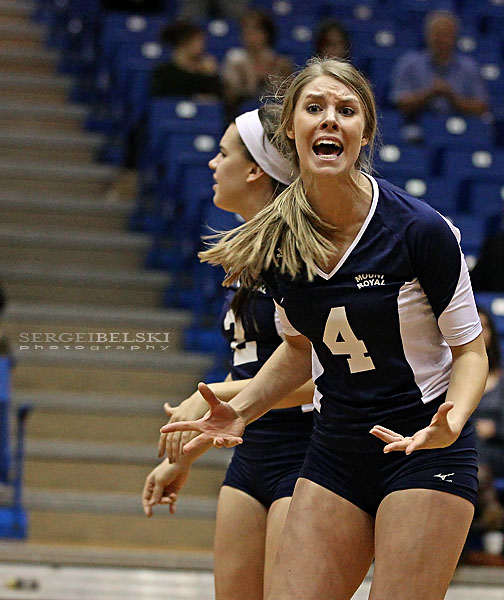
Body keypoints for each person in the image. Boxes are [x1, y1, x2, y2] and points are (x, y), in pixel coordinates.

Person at [161, 57, 488, 600]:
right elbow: (298, 350)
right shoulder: (278, 239)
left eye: (346, 110)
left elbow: (471, 351)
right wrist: (240, 409)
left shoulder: (419, 230)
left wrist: (451, 420)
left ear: (365, 133)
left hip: (423, 443)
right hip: (336, 447)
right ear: (291, 128)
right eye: (315, 108)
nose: (330, 120)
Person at [141, 106, 314, 600]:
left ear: (256, 168)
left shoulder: (301, 256)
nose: (213, 164)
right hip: (248, 453)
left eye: (222, 153)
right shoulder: (248, 251)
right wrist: (188, 450)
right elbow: (251, 366)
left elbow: (323, 373)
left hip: (306, 452)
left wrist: (214, 393)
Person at [468, 307, 504, 554]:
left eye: (485, 326)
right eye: (473, 324)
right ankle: (492, 525)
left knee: (472, 457)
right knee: (468, 442)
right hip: (460, 447)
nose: (479, 331)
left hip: (496, 452)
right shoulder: (448, 372)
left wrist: (493, 428)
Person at [390, 10, 489, 120]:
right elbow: (400, 104)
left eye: (447, 35)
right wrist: (430, 94)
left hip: (460, 124)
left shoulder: (469, 67)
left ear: (456, 37)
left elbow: (482, 108)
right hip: (416, 126)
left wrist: (452, 98)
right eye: (437, 34)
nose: (442, 40)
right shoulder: (409, 63)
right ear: (427, 36)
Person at [221, 10, 293, 116]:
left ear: (266, 34)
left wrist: (272, 77)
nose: (249, 35)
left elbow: (286, 98)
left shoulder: (280, 62)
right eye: (245, 31)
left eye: (255, 30)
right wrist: (244, 77)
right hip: (239, 114)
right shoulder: (234, 59)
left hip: (273, 115)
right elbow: (229, 98)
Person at [150, 19, 222, 99]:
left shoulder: (206, 70)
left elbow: (218, 100)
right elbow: (160, 100)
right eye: (197, 42)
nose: (202, 46)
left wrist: (211, 75)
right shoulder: (163, 71)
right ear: (183, 43)